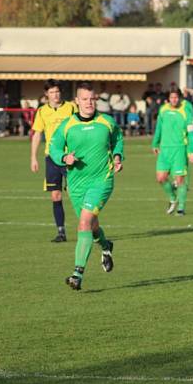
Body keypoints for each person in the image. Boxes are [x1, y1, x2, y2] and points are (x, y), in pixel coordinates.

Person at [48, 82, 123, 290]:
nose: (89, 103)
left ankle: (77, 274)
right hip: (76, 183)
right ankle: (106, 246)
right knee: (92, 225)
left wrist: (117, 156)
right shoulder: (67, 125)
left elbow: (117, 139)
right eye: (85, 99)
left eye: (92, 99)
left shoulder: (107, 121)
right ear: (77, 101)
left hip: (102, 180)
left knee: (84, 223)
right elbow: (53, 147)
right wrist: (64, 157)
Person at [29, 79, 77, 242]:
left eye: (57, 91)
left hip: (70, 157)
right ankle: (61, 232)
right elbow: (37, 134)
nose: (55, 95)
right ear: (46, 94)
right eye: (51, 92)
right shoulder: (42, 111)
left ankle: (86, 228)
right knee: (55, 196)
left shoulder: (71, 107)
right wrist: (33, 158)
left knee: (75, 194)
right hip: (51, 158)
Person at [152, 89, 193, 216]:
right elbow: (159, 127)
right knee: (161, 178)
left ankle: (181, 208)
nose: (174, 100)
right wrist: (155, 143)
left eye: (176, 97)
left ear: (180, 98)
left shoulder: (186, 111)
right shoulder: (163, 110)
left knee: (180, 179)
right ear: (168, 99)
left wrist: (192, 151)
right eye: (172, 97)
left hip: (179, 149)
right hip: (164, 149)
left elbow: (191, 133)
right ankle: (172, 198)